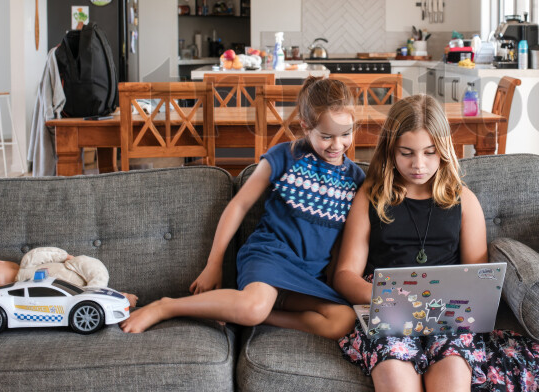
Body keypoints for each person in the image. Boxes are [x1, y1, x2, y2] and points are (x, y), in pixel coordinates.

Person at [333, 95, 539, 392]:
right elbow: (345, 274)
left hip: (446, 315)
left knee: (454, 371)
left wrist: (451, 304)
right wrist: (384, 297)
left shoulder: (462, 199)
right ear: (390, 151)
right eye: (406, 153)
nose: (419, 164)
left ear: (444, 151)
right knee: (393, 372)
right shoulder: (371, 196)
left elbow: (479, 281)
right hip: (387, 313)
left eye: (430, 153)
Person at [122, 76, 364, 339]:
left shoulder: (355, 179)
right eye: (326, 136)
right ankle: (166, 307)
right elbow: (239, 205)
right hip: (270, 258)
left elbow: (343, 239)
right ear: (305, 127)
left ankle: (244, 313)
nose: (337, 145)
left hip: (307, 278)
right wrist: (214, 264)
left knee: (343, 319)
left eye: (346, 134)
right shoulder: (285, 156)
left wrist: (331, 280)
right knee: (253, 307)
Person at [0, 246, 138, 307]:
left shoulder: (27, 264)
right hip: (75, 287)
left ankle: (111, 295)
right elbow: (46, 254)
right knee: (90, 291)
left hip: (75, 271)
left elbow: (46, 254)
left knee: (95, 278)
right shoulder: (23, 285)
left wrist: (66, 258)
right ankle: (117, 297)